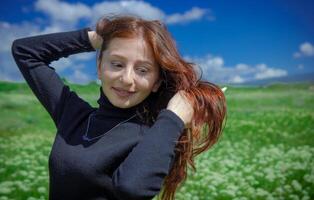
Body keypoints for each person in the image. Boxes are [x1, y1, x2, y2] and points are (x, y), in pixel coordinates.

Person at [11, 15, 226, 200]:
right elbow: (25, 52)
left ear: (156, 83)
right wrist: (98, 39)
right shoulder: (74, 116)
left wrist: (173, 117)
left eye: (142, 70)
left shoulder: (155, 136)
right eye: (117, 64)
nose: (126, 79)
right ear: (99, 67)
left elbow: (132, 189)